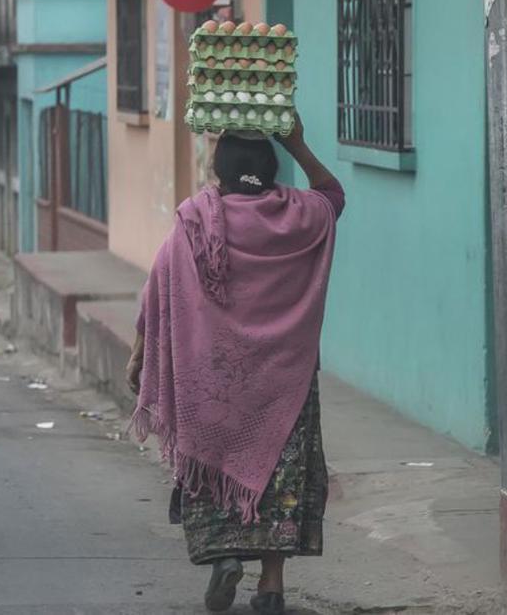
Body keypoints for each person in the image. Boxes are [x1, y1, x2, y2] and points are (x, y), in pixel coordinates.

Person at [126, 116, 344, 614]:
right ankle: (271, 585)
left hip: (213, 383)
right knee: (280, 477)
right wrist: (300, 144)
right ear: (271, 170)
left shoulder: (194, 222)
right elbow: (334, 193)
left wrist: (140, 350)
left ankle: (225, 555)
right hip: (284, 383)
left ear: (219, 171)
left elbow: (158, 283)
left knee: (216, 465)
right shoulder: (303, 215)